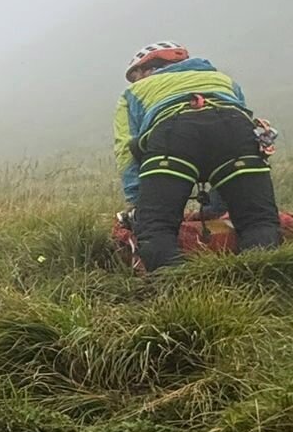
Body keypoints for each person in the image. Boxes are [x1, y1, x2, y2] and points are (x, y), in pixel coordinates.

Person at [114, 41, 281, 272]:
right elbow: (232, 138)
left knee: (156, 228)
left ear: (147, 70)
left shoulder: (132, 93)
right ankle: (264, 284)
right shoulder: (225, 81)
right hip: (236, 129)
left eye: (136, 76)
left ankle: (179, 289)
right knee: (258, 221)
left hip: (173, 134)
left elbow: (125, 149)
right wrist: (217, 206)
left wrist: (137, 201)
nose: (136, 82)